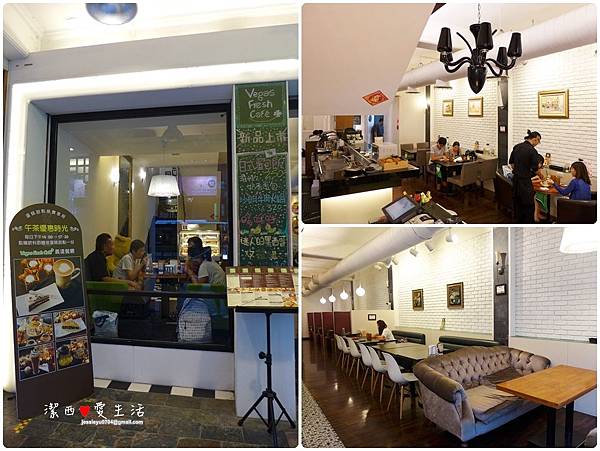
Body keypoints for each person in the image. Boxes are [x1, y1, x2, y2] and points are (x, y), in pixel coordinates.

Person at [509, 130, 544, 223]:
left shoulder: (517, 147)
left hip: (516, 180)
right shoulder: (532, 151)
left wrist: (519, 170)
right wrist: (541, 176)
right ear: (535, 139)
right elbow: (535, 169)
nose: (538, 143)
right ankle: (528, 224)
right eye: (538, 141)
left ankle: (518, 223)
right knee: (529, 205)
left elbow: (511, 164)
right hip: (525, 182)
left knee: (518, 203)